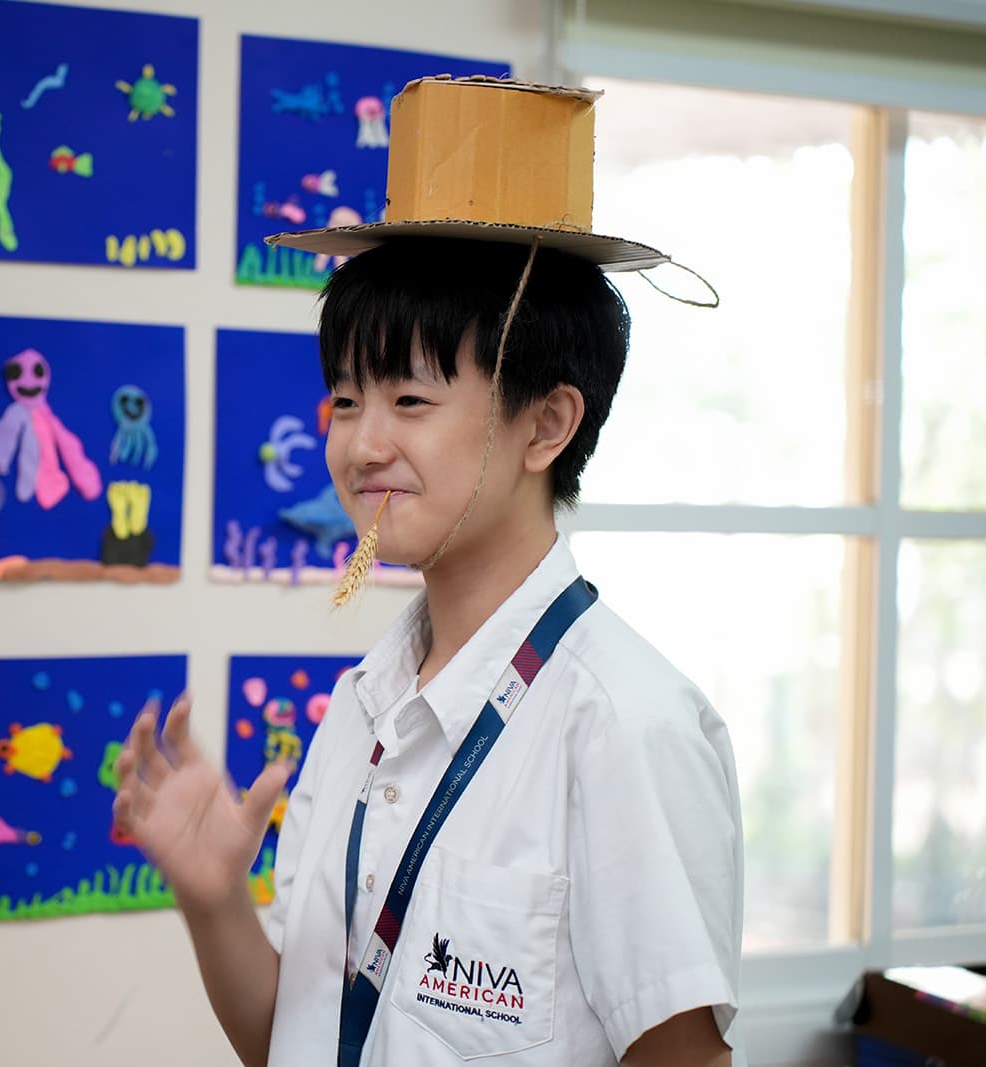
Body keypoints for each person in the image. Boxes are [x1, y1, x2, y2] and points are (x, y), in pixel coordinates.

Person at [112, 77, 741, 1067]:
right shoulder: (366, 701)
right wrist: (212, 896)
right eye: (344, 399)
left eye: (408, 398)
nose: (361, 444)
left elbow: (683, 1056)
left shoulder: (623, 723)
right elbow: (297, 1035)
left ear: (546, 423)